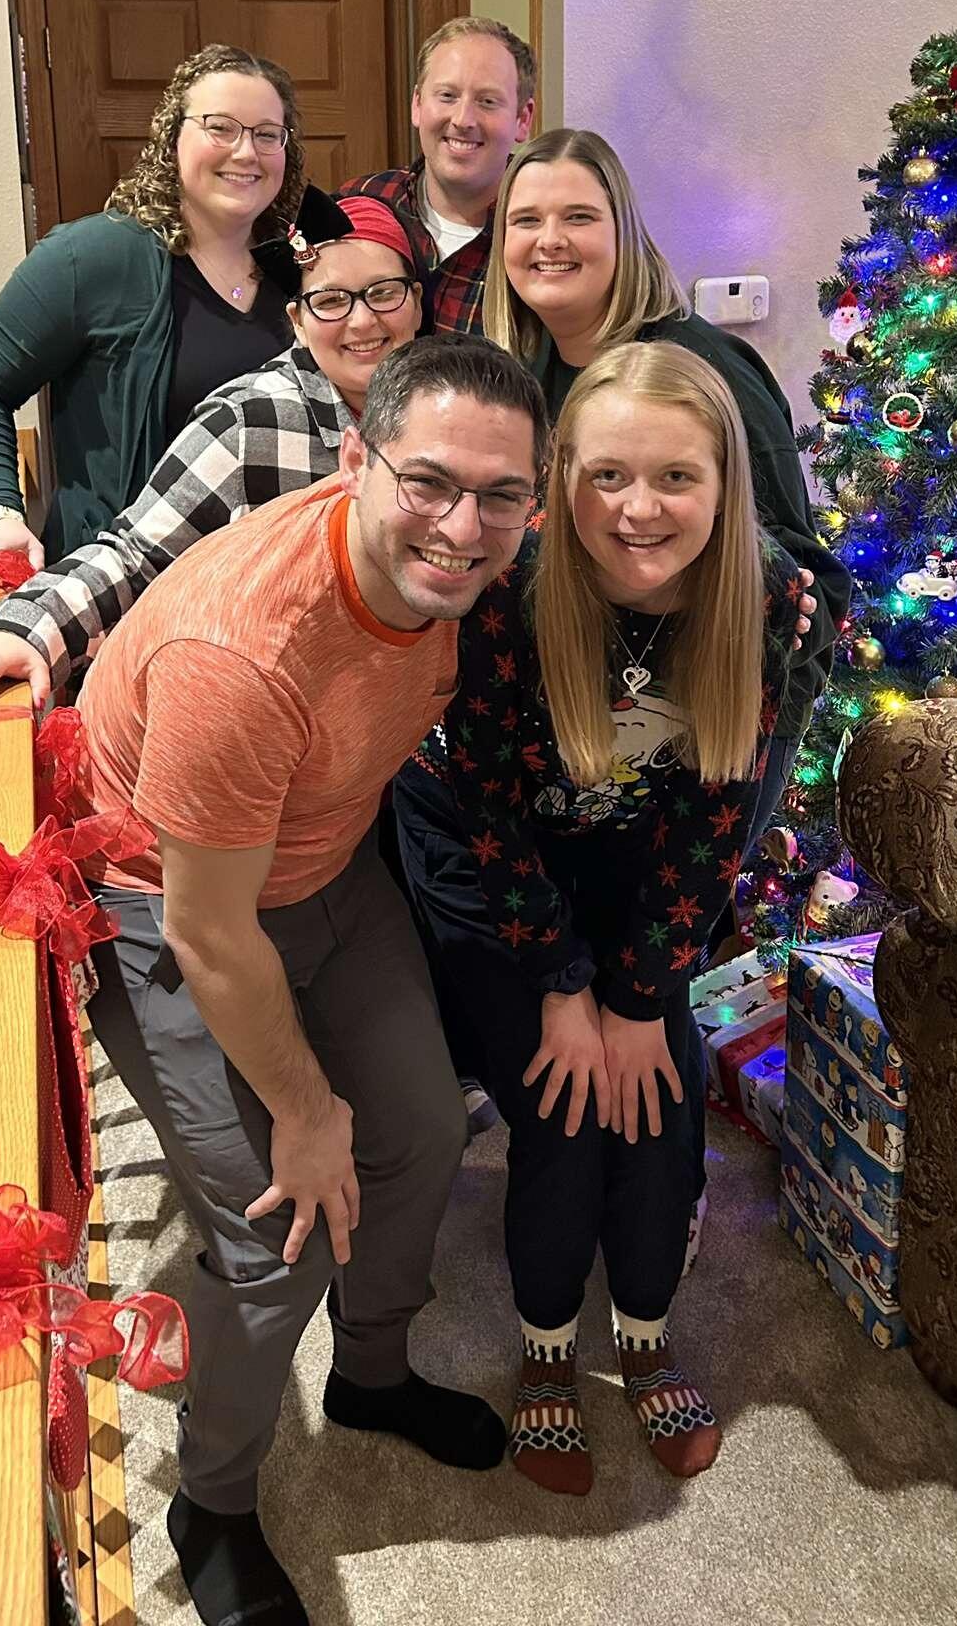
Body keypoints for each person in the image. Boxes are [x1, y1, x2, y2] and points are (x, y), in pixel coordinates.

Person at [72, 337, 548, 1626]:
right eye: (430, 483)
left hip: (330, 867)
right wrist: (303, 1106)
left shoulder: (462, 564)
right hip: (172, 910)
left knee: (425, 1127)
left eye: (502, 495)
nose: (463, 527)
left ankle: (373, 1373)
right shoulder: (244, 653)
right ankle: (212, 1499)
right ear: (355, 462)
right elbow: (211, 934)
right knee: (280, 1222)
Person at [394, 341, 805, 1493]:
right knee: (565, 1116)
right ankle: (542, 1353)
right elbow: (488, 811)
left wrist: (636, 995)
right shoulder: (506, 598)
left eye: (676, 478)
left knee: (662, 1105)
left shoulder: (769, 603)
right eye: (608, 476)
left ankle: (642, 1332)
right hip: (497, 877)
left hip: (641, 874)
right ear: (562, 475)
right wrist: (566, 988)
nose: (639, 510)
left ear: (726, 485)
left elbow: (715, 826)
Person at [481, 127, 850, 860]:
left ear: (623, 229)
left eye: (578, 217)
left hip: (715, 719)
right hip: (592, 711)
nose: (549, 240)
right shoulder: (523, 374)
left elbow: (804, 573)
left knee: (669, 929)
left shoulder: (704, 369)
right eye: (526, 220)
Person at [0, 191, 423, 726]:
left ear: (417, 303)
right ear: (298, 321)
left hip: (399, 729)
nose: (362, 321)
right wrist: (24, 630)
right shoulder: (247, 423)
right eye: (331, 301)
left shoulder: (446, 413)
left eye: (384, 293)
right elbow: (135, 559)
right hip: (271, 734)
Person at [0, 43, 305, 570]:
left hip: (263, 585)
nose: (246, 152)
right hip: (120, 594)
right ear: (172, 138)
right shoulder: (92, 258)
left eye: (267, 134)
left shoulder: (302, 272)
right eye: (220, 127)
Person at [342, 15, 535, 332]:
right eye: (447, 96)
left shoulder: (545, 235)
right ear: (417, 104)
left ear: (522, 118)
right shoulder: (360, 202)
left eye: (487, 101)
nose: (463, 119)